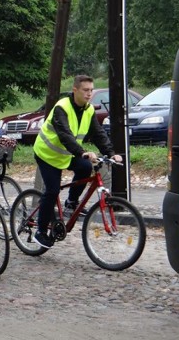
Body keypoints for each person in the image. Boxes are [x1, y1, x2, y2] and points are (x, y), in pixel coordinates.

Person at [32, 75, 122, 248]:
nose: (89, 94)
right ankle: (40, 231)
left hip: (66, 154)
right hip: (47, 154)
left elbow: (98, 134)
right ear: (75, 90)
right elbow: (65, 134)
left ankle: (71, 203)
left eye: (91, 90)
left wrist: (111, 153)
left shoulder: (88, 110)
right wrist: (82, 152)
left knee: (85, 167)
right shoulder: (62, 107)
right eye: (85, 90)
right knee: (52, 190)